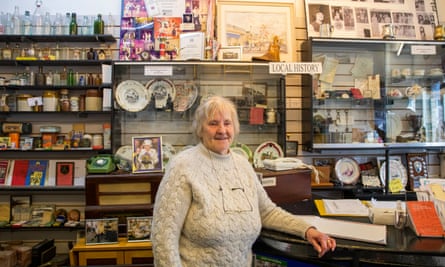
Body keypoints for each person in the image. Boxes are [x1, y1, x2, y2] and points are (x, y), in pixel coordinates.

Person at [151, 96, 336, 266]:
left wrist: (308, 230)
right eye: (213, 123)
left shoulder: (243, 165)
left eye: (227, 123)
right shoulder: (182, 166)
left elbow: (267, 212)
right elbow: (163, 237)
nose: (222, 130)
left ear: (235, 128)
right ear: (200, 129)